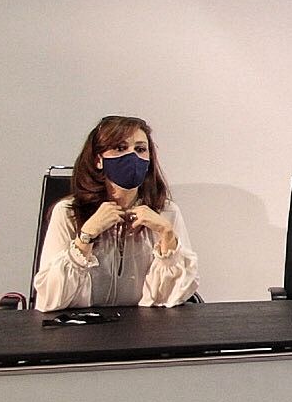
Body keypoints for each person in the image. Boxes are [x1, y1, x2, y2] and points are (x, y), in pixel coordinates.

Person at [34, 115, 198, 310]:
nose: (132, 157)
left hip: (146, 331)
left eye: (140, 149)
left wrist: (167, 234)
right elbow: (50, 299)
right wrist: (86, 236)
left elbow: (174, 297)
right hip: (83, 329)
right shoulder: (68, 212)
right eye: (120, 148)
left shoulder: (167, 212)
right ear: (98, 160)